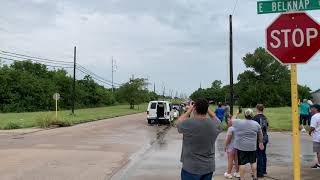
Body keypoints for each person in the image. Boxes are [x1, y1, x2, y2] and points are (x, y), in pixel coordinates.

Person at [176, 98, 223, 180]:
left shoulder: (188, 123)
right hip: (208, 167)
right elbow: (218, 122)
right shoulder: (214, 125)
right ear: (207, 109)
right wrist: (207, 109)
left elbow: (178, 122)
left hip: (191, 167)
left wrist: (189, 110)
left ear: (195, 109)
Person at [231, 109, 264, 180]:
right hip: (252, 147)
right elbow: (260, 134)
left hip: (241, 147)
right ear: (252, 115)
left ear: (245, 115)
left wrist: (236, 113)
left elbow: (232, 120)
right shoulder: (256, 124)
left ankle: (242, 178)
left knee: (242, 163)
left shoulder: (239, 122)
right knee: (253, 162)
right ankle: (255, 177)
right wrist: (260, 142)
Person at [253, 104, 269, 177]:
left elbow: (253, 128)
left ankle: (259, 173)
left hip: (259, 138)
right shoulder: (265, 117)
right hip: (265, 136)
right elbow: (266, 127)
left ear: (257, 109)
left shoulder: (255, 118)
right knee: (263, 154)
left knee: (259, 155)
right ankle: (264, 170)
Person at [309, 104, 320, 169]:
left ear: (315, 109)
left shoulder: (315, 117)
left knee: (318, 151)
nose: (311, 109)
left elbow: (312, 127)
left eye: (312, 108)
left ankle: (319, 164)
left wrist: (309, 132)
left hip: (317, 136)